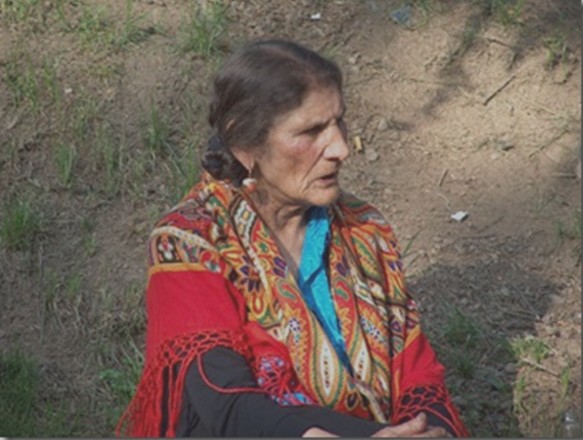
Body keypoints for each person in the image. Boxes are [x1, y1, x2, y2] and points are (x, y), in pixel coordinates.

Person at [116, 39, 469, 438]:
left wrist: (430, 430)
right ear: (244, 144)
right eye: (311, 131)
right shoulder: (191, 242)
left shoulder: (364, 231)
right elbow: (225, 402)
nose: (340, 148)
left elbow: (418, 376)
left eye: (339, 122)